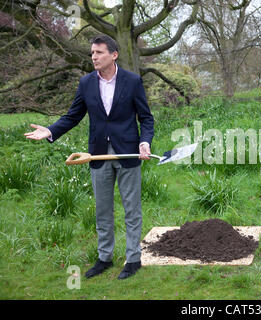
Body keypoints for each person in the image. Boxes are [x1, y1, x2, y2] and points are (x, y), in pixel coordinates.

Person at [24, 34, 154, 280]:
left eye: (99, 52)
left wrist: (144, 142)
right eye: (92, 53)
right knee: (102, 210)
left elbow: (146, 118)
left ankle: (133, 259)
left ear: (113, 55)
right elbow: (73, 116)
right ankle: (104, 258)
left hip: (128, 152)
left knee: (131, 210)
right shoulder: (86, 84)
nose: (93, 57)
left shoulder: (133, 81)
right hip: (97, 155)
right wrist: (50, 130)